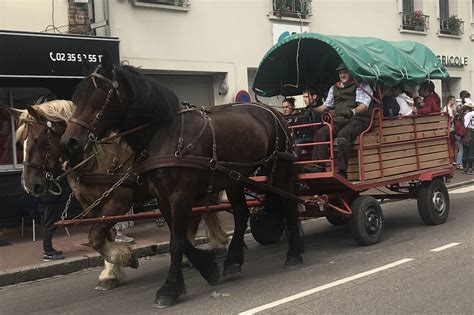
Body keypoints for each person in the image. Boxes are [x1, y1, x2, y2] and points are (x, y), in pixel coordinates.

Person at [311, 63, 373, 178]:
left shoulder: (360, 85)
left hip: (357, 119)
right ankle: (319, 166)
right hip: (339, 120)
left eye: (345, 72)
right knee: (321, 133)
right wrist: (313, 109)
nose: (342, 75)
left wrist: (352, 112)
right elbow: (326, 106)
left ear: (351, 72)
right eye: (340, 73)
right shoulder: (334, 87)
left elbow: (364, 106)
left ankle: (342, 171)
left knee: (343, 135)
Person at [38, 189, 67, 261]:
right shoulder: (47, 178)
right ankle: (48, 253)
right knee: (48, 226)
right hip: (50, 200)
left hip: (44, 199)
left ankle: (49, 249)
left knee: (46, 225)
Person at [461, 104, 474, 174]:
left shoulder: (467, 115)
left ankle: (465, 168)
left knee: (465, 151)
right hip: (472, 133)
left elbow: (465, 124)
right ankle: (470, 169)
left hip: (465, 134)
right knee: (471, 151)